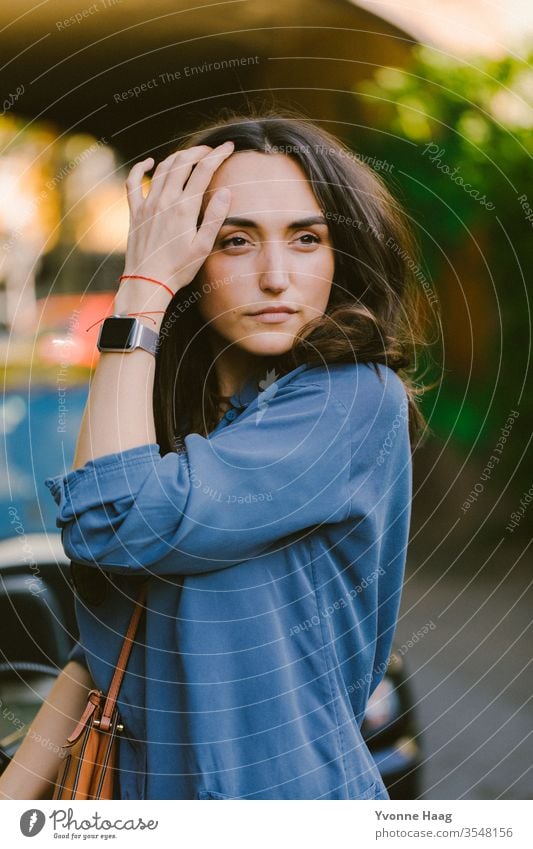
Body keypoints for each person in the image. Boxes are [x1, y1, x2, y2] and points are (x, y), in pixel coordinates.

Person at [0, 106, 431, 800]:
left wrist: (140, 289)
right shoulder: (172, 420)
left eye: (305, 238)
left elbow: (107, 525)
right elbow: (107, 649)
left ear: (339, 254)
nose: (274, 275)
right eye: (235, 240)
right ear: (190, 258)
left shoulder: (349, 400)